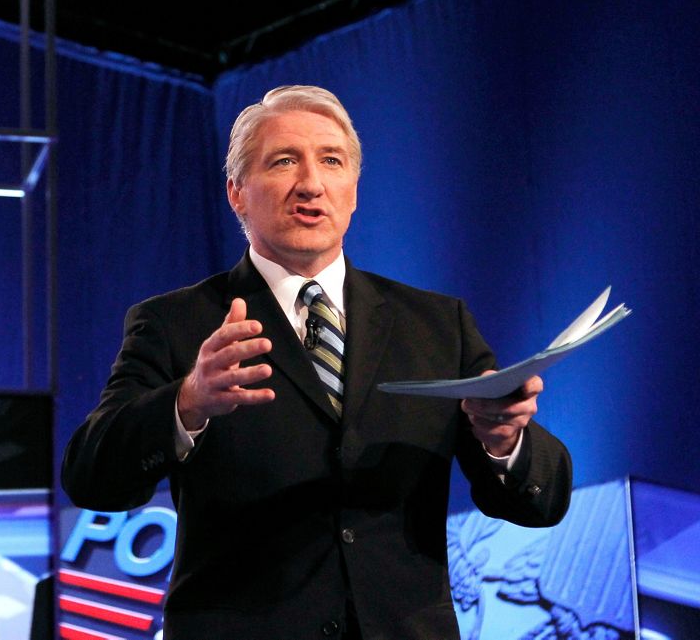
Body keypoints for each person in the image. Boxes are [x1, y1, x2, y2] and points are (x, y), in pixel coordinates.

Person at [61, 85, 572, 639]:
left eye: (331, 161)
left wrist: (505, 442)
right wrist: (186, 403)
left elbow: (538, 504)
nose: (310, 183)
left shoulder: (435, 323)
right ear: (237, 192)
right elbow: (92, 477)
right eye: (284, 161)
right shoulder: (174, 323)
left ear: (353, 191)